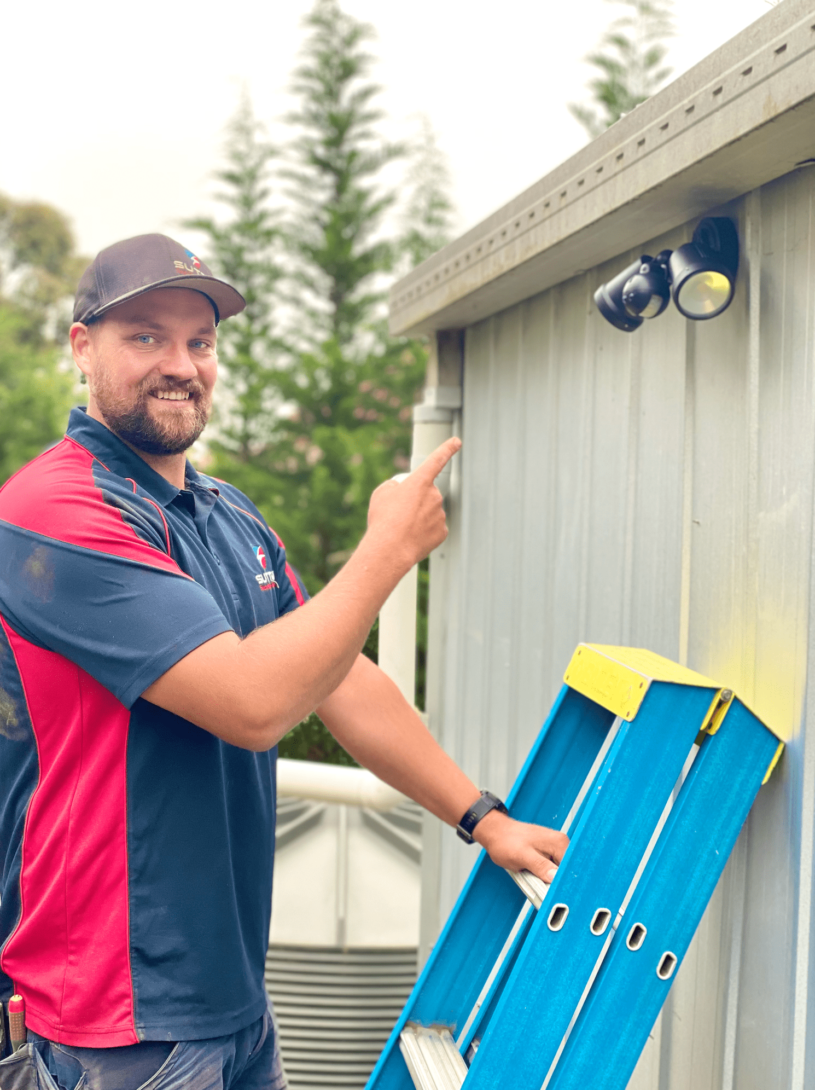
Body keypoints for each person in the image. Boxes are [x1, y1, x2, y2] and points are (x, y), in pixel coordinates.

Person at [0, 234, 567, 1090]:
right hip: (116, 1018)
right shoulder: (53, 511)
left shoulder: (226, 514)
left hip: (229, 998)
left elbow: (338, 673)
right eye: (145, 336)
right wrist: (386, 551)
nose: (181, 364)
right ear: (82, 347)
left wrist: (482, 819)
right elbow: (252, 703)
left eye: (200, 341)